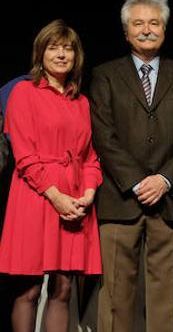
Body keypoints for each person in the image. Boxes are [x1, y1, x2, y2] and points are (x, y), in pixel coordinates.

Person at [90, 0, 173, 332]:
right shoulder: (105, 75)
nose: (147, 30)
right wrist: (139, 181)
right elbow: (103, 136)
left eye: (154, 23)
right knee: (115, 300)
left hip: (168, 201)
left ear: (165, 30)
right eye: (138, 23)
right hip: (119, 200)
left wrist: (164, 179)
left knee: (166, 299)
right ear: (126, 32)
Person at [0, 19, 102, 332]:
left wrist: (88, 193)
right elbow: (25, 157)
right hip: (36, 196)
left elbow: (89, 157)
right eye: (53, 47)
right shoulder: (23, 93)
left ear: (76, 56)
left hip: (73, 200)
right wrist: (56, 196)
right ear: (40, 53)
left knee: (64, 289)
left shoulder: (81, 101)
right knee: (29, 290)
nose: (60, 54)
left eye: (67, 48)